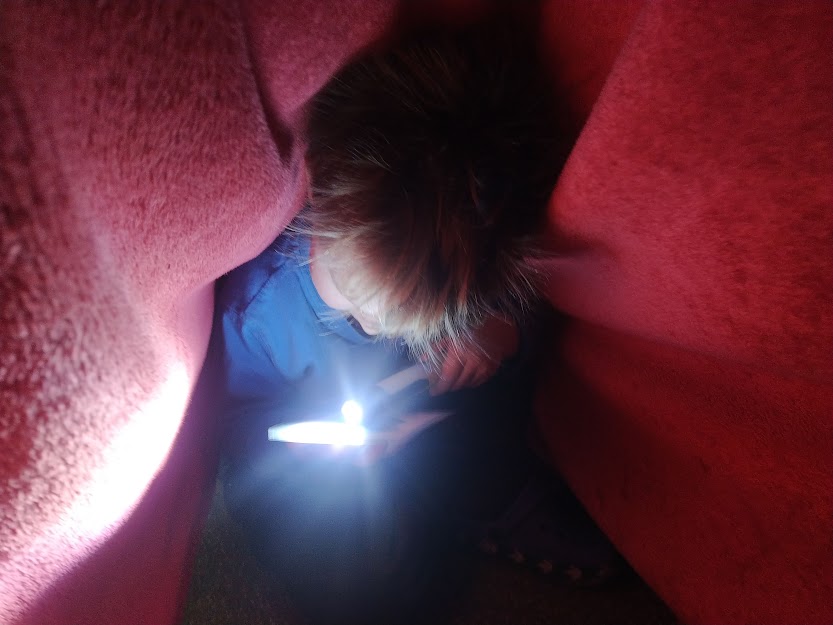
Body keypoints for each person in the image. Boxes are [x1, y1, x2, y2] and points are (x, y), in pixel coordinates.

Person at [213, 15, 613, 625]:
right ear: (322, 195)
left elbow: (526, 302)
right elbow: (243, 428)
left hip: (430, 420)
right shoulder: (263, 313)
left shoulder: (471, 257)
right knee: (350, 574)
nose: (376, 328)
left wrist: (497, 333)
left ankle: (486, 506)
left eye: (407, 318)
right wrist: (320, 443)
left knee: (492, 409)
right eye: (356, 300)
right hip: (333, 460)